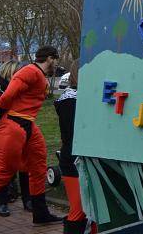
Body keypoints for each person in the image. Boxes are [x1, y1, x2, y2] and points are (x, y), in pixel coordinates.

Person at [0, 47, 63, 224]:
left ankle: (40, 214)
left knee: (38, 167)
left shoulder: (38, 74)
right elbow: (7, 96)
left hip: (28, 125)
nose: (57, 63)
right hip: (13, 125)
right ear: (50, 58)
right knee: (4, 172)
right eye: (56, 59)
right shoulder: (30, 71)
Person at [0, 61, 31, 217]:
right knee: (2, 168)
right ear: (10, 72)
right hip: (0, 133)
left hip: (21, 129)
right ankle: (2, 202)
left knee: (24, 166)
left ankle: (27, 200)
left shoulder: (21, 88)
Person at [55, 66, 87, 234]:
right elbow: (73, 133)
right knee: (78, 209)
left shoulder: (77, 96)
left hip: (81, 157)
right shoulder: (70, 99)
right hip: (74, 159)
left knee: (89, 210)